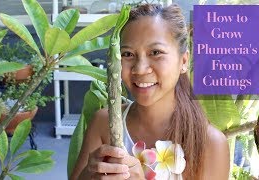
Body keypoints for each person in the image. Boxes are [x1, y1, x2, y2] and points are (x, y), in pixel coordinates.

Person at [70, 3, 230, 180]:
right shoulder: (103, 123)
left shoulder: (209, 143)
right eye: (127, 54)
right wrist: (90, 175)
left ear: (183, 61)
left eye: (155, 52)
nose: (139, 69)